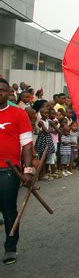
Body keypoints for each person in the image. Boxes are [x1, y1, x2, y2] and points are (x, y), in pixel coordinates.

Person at [0, 78, 34, 265]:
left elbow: (27, 145)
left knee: (9, 211)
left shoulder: (19, 114)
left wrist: (27, 171)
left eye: (3, 90)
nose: (0, 93)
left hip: (8, 171)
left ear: (9, 93)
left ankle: (10, 248)